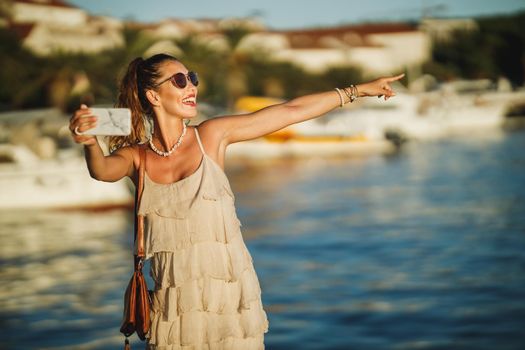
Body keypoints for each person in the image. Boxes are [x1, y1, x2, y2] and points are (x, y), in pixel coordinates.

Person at [69, 53, 403, 349]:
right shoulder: (137, 157)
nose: (192, 87)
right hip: (175, 309)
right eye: (181, 80)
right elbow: (102, 170)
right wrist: (88, 141)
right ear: (154, 95)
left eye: (193, 79)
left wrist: (356, 91)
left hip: (230, 302)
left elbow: (290, 110)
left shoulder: (211, 136)